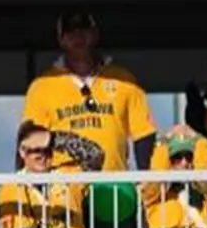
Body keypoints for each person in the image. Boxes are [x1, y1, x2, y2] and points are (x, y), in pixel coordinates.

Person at [23, 12, 158, 178]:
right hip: (64, 188)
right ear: (61, 40)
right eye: (70, 33)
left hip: (113, 185)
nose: (78, 37)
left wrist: (147, 181)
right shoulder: (41, 86)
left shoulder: (124, 80)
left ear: (95, 35)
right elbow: (31, 141)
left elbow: (144, 135)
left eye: (83, 31)